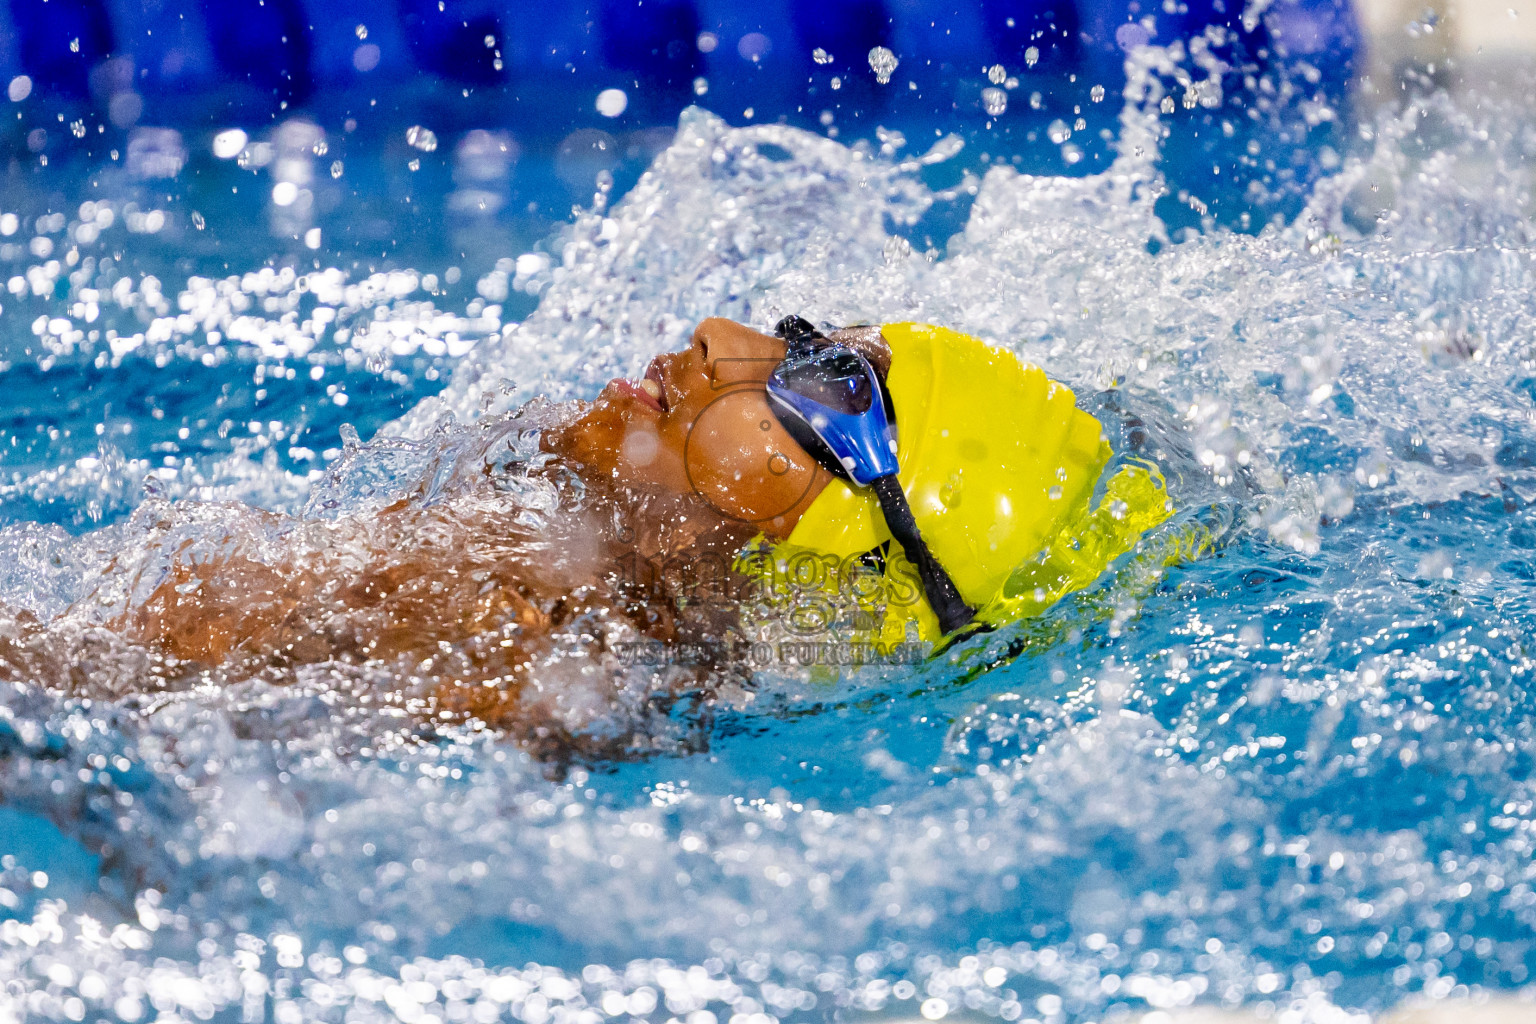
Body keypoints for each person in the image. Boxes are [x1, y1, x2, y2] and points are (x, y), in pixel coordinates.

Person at [0, 318, 1171, 761]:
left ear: (835, 538)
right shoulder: (552, 570)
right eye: (804, 332)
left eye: (821, 382)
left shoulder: (527, 643)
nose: (724, 339)